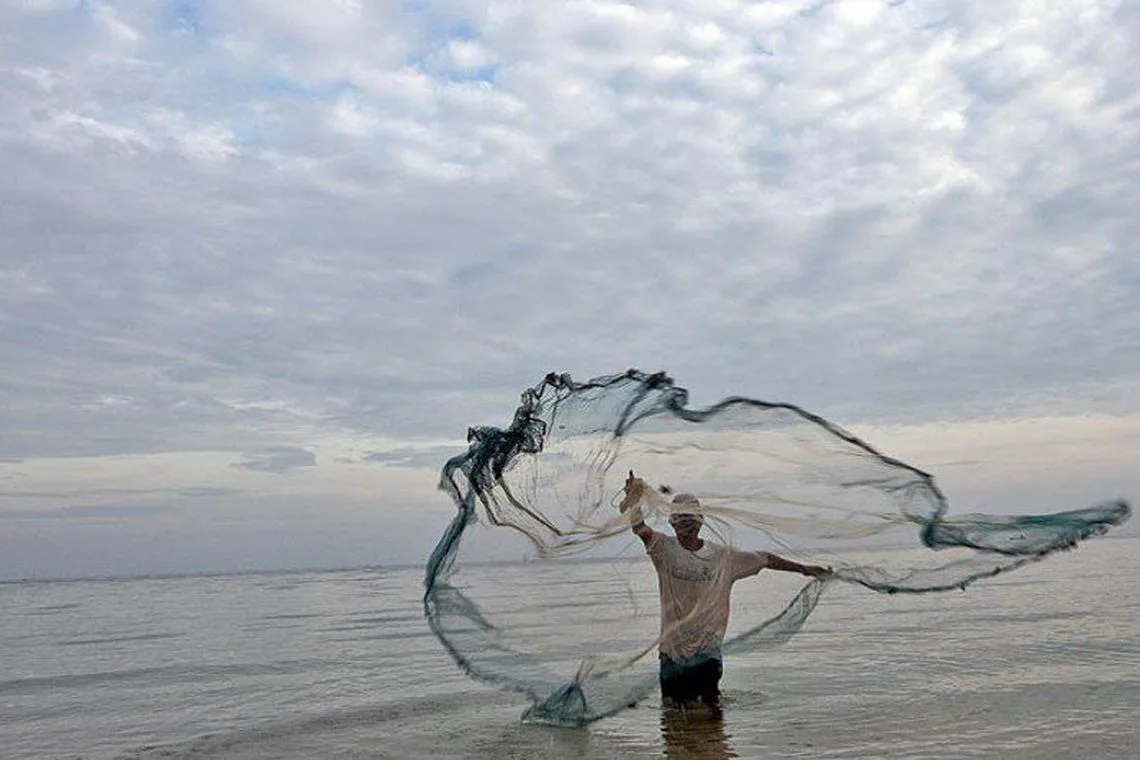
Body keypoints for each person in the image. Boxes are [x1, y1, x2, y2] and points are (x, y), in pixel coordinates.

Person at [619, 471, 828, 708]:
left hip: (708, 653)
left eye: (690, 519)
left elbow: (766, 559)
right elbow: (640, 529)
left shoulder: (722, 557)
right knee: (672, 717)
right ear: (672, 523)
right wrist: (633, 499)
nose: (686, 525)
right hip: (672, 655)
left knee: (710, 715)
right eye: (680, 519)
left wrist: (804, 569)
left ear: (700, 521)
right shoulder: (664, 550)